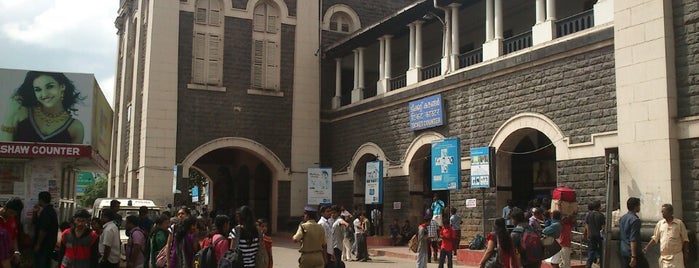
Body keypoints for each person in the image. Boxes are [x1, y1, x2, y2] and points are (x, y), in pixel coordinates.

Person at [0, 71, 85, 143]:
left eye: (50, 86)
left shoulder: (75, 127)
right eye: (38, 89)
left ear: (62, 87)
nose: (44, 94)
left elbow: (74, 161)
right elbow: (4, 152)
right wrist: (9, 116)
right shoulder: (22, 114)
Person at [643, 204, 690, 268]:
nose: (662, 213)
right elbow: (655, 238)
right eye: (662, 211)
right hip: (664, 258)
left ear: (670, 212)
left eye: (663, 211)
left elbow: (685, 239)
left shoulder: (679, 224)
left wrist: (686, 253)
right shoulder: (660, 224)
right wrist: (647, 248)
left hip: (676, 257)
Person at [619, 197, 649, 268]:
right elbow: (633, 239)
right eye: (639, 205)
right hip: (633, 252)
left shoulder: (622, 218)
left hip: (624, 250)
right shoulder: (635, 220)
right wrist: (633, 256)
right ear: (635, 207)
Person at [33, 191, 58, 268]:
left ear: (41, 200)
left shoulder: (46, 212)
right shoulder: (50, 210)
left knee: (41, 264)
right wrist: (35, 213)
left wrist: (38, 244)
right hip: (49, 245)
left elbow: (43, 230)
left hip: (44, 246)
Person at [0, 197, 23, 265]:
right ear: (5, 208)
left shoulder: (12, 219)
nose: (12, 215)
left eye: (15, 214)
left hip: (8, 257)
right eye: (11, 212)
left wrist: (16, 251)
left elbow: (14, 236)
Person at [585, 201, 605, 268]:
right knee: (601, 251)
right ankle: (601, 264)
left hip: (591, 234)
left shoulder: (589, 215)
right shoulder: (601, 215)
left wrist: (588, 233)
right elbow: (603, 227)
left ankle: (588, 265)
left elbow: (587, 225)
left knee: (591, 250)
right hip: (599, 235)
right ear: (599, 207)